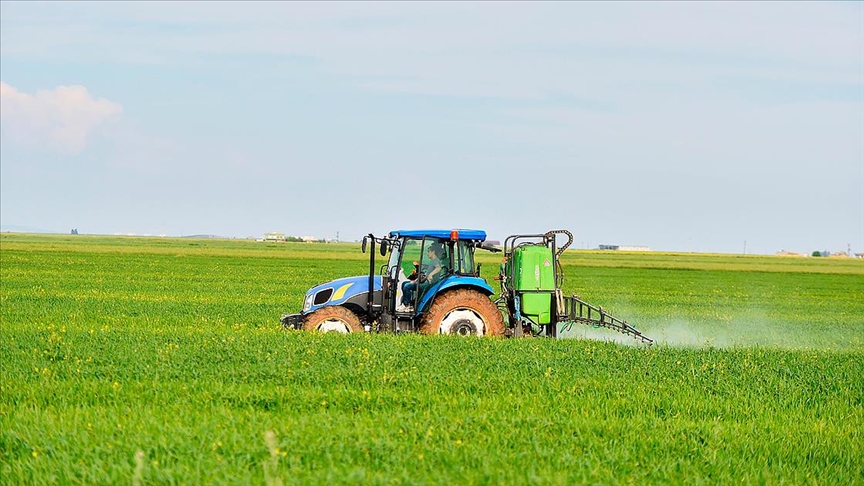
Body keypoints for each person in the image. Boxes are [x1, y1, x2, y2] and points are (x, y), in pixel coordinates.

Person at [401, 243, 444, 307]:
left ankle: (407, 305)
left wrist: (431, 275)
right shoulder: (432, 261)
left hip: (427, 283)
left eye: (429, 251)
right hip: (424, 281)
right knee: (404, 283)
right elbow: (426, 274)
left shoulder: (435, 261)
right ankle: (411, 303)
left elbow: (438, 268)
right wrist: (417, 279)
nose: (427, 253)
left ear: (433, 252)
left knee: (407, 286)